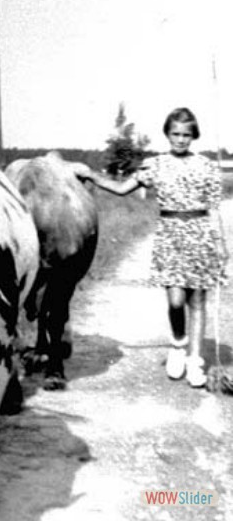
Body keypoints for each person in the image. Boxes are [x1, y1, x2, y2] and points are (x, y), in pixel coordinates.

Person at [79, 107, 228, 388]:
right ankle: (178, 345)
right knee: (175, 301)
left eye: (186, 134)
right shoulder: (155, 165)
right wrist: (91, 175)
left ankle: (195, 361)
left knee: (197, 302)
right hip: (170, 236)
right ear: (167, 134)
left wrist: (221, 244)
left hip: (200, 235)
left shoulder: (206, 166)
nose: (181, 140)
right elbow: (122, 188)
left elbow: (215, 209)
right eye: (175, 134)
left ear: (193, 136)